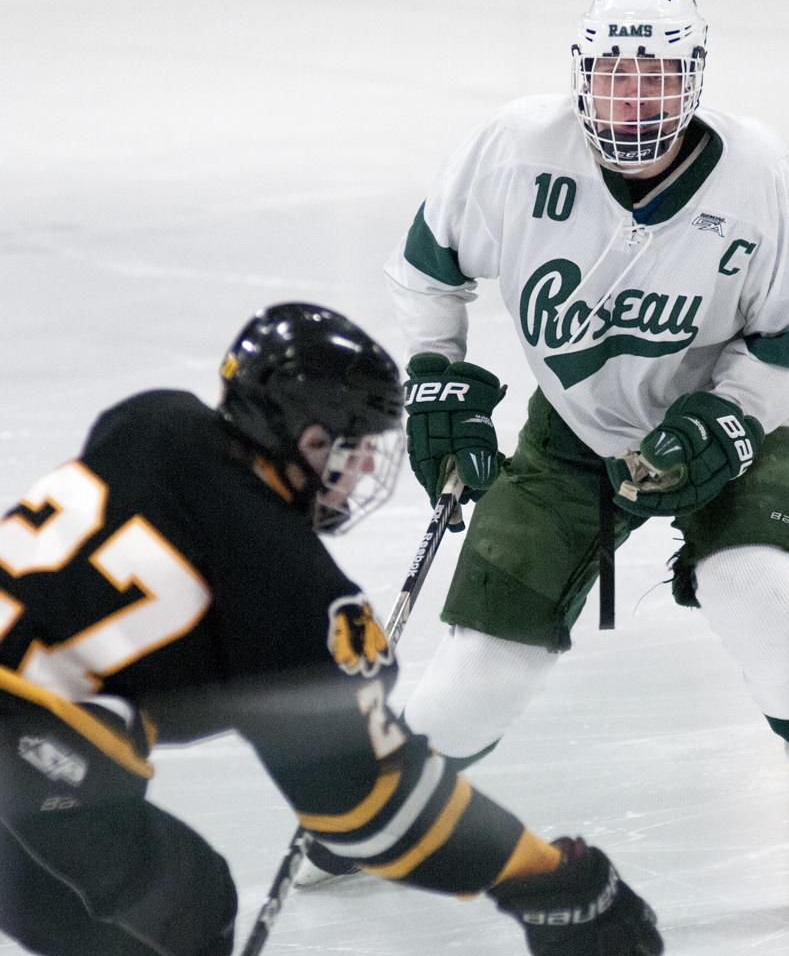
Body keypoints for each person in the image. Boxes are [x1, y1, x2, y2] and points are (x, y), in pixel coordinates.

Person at [378, 0, 789, 901]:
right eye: (615, 74)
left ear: (693, 79)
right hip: (572, 435)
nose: (633, 97)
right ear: (581, 74)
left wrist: (725, 422)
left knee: (755, 590)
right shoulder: (514, 150)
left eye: (657, 76)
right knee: (479, 670)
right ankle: (385, 808)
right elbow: (429, 271)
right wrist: (438, 379)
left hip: (727, 417)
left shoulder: (758, 173)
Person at [0, 302, 664, 956]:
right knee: (190, 902)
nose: (363, 472)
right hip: (29, 738)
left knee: (56, 903)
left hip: (28, 730)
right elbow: (365, 808)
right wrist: (541, 874)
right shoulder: (281, 574)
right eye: (355, 446)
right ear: (310, 439)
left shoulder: (152, 420)